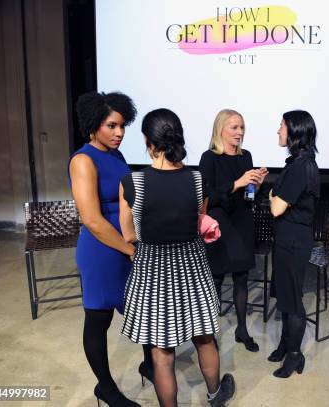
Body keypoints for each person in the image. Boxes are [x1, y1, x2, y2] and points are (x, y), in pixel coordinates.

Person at [119, 108, 235, 407]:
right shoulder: (196, 179)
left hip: (151, 271)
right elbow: (199, 219)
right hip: (192, 267)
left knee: (162, 352)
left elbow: (128, 234)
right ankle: (214, 395)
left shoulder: (132, 182)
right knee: (204, 338)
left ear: (148, 141)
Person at [68, 91, 143, 407]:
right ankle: (106, 388)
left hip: (125, 244)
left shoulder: (117, 155)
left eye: (122, 125)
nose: (119, 133)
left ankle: (151, 365)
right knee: (98, 321)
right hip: (101, 250)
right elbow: (93, 220)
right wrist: (129, 249)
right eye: (112, 126)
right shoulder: (83, 160)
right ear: (93, 124)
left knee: (141, 313)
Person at [199, 109, 268, 352]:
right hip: (218, 224)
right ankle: (211, 334)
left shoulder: (245, 156)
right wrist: (237, 183)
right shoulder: (209, 158)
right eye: (234, 127)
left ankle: (242, 330)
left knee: (241, 278)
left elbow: (248, 198)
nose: (239, 133)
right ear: (221, 129)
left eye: (242, 128)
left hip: (242, 221)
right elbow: (207, 195)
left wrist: (255, 187)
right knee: (216, 278)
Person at [268, 110, 320, 378]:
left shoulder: (301, 166)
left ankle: (294, 356)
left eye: (281, 126)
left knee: (293, 300)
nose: (278, 131)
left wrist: (271, 195)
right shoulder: (298, 162)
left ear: (295, 132)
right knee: (286, 296)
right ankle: (284, 345)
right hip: (288, 238)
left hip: (293, 241)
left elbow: (276, 208)